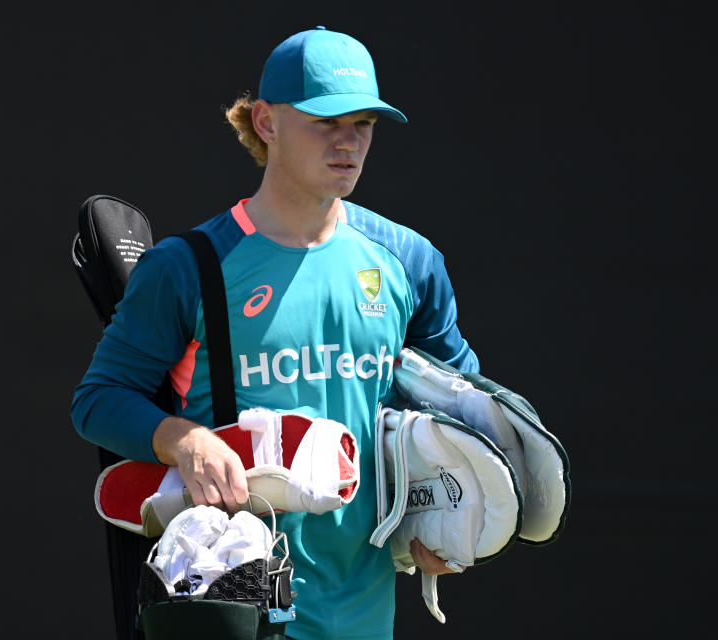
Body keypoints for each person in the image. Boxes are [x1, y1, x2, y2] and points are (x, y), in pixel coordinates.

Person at [72, 25, 480, 640]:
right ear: (265, 122)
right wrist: (182, 439)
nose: (348, 143)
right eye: (326, 121)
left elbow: (457, 404)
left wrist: (440, 519)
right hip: (229, 603)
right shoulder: (190, 265)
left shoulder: (407, 260)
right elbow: (98, 401)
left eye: (363, 124)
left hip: (364, 611)